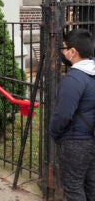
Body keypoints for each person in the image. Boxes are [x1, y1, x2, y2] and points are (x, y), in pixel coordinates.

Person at [50, 28, 95, 201]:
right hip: (91, 139)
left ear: (73, 52)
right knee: (91, 185)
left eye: (64, 48)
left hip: (76, 142)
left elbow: (62, 115)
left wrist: (54, 133)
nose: (62, 52)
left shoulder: (74, 79)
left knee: (74, 187)